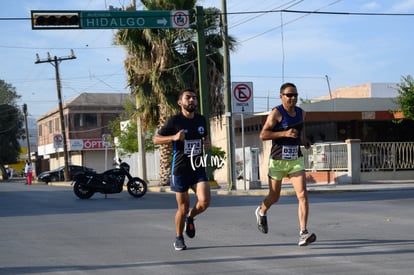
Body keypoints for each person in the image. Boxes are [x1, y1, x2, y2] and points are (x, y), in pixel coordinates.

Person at [255, 82, 316, 246]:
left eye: (295, 95)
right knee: (274, 197)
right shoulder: (276, 113)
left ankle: (303, 232)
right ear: (281, 96)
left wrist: (305, 141)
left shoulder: (302, 113)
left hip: (295, 159)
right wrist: (284, 133)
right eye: (289, 95)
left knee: (302, 194)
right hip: (278, 161)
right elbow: (263, 134)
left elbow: (301, 132)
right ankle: (261, 211)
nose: (293, 98)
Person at [153, 88, 211, 251]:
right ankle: (178, 237)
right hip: (180, 169)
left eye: (194, 97)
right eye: (188, 98)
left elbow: (204, 138)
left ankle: (190, 218)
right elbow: (155, 139)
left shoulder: (201, 119)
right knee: (183, 207)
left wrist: (207, 144)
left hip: (198, 167)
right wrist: (173, 137)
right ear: (180, 102)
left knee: (205, 201)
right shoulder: (174, 121)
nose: (192, 100)